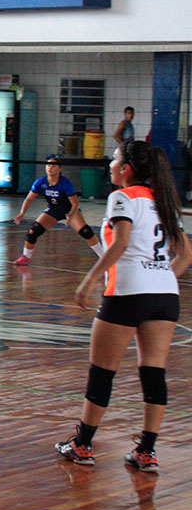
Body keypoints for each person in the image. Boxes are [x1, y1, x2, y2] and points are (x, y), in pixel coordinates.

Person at [55, 141, 191, 471]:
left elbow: (122, 243)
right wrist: (158, 278)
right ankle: (146, 451)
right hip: (165, 296)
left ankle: (83, 445)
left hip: (127, 293)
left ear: (127, 169)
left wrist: (89, 280)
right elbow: (185, 255)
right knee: (153, 372)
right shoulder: (165, 202)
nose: (111, 164)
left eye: (115, 159)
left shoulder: (122, 197)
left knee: (102, 372)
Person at [12, 155, 103, 265]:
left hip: (69, 209)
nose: (50, 167)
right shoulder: (40, 182)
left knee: (86, 232)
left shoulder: (65, 183)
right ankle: (26, 257)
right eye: (48, 165)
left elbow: (75, 203)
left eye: (53, 165)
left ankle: (104, 257)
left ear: (59, 169)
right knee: (33, 231)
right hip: (53, 210)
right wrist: (22, 213)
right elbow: (29, 198)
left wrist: (70, 215)